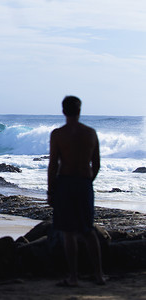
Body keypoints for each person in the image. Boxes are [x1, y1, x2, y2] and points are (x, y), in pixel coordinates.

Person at [47, 96, 105, 287]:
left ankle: (73, 277)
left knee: (68, 232)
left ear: (63, 111)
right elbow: (96, 164)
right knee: (88, 230)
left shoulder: (58, 134)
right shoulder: (90, 133)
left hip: (65, 183)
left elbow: (53, 164)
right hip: (84, 183)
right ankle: (98, 275)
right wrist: (87, 181)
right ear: (80, 111)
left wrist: (51, 190)